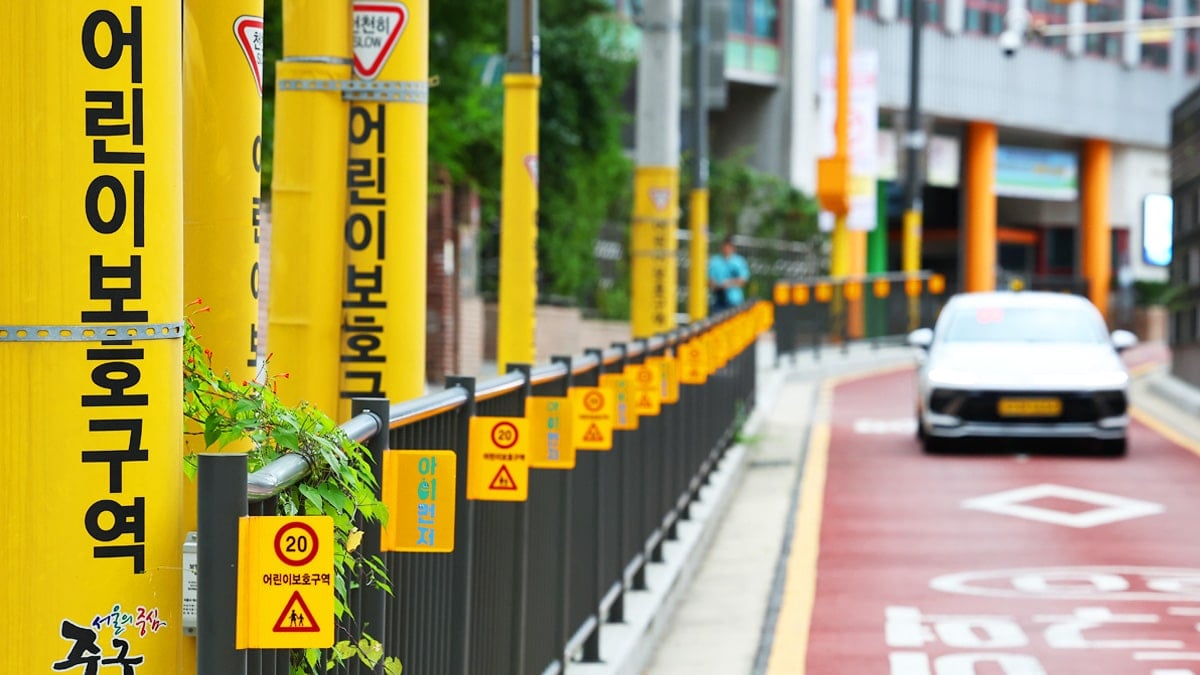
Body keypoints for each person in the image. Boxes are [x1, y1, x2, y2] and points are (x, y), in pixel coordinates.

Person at [708, 234, 750, 313]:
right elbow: (710, 280)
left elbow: (743, 280)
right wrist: (718, 286)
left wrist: (729, 283)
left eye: (729, 246)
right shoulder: (715, 261)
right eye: (725, 245)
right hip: (718, 301)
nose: (727, 248)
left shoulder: (739, 262)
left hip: (734, 301)